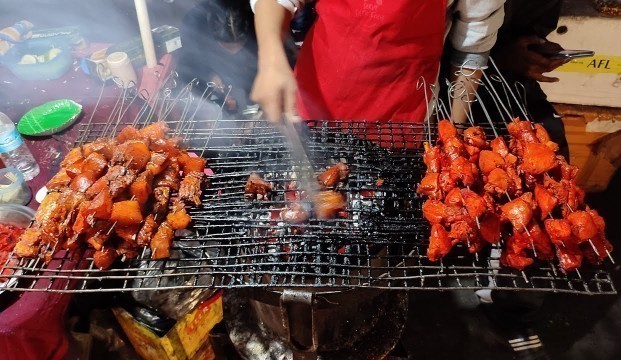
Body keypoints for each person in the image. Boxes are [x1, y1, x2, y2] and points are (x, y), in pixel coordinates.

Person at [465, 1, 567, 359]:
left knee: (549, 194)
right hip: (442, 71)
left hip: (505, 81)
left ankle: (509, 313)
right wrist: (496, 57)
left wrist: (533, 47)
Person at [249, 0, 506, 125]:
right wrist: (271, 59)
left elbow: (471, 49)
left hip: (403, 118)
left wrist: (455, 132)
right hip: (314, 101)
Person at [178, 0, 296, 117]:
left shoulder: (262, 18)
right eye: (227, 47)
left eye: (240, 45)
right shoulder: (194, 24)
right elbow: (187, 65)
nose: (234, 52)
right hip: (215, 86)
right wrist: (209, 75)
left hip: (254, 71)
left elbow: (286, 53)